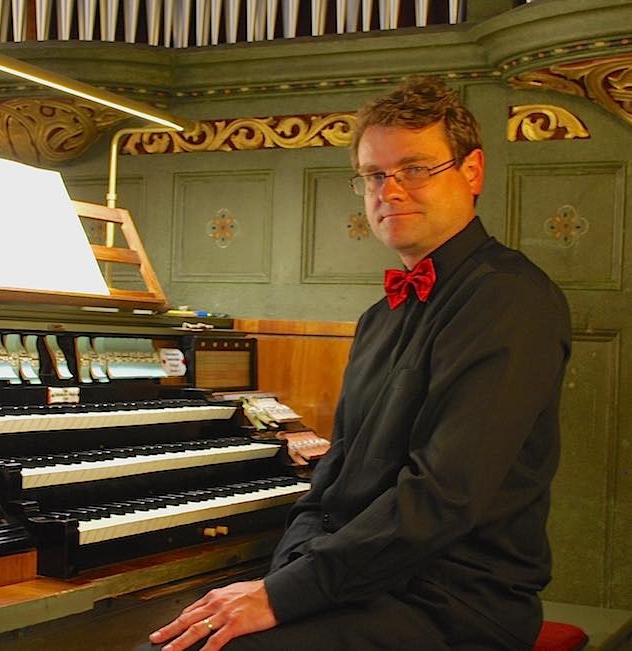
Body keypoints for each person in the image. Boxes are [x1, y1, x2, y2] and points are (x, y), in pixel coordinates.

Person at [142, 76, 572, 650]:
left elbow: (443, 495)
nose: (389, 191)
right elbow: (335, 474)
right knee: (177, 638)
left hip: (457, 600)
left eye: (416, 168)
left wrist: (284, 593)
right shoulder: (379, 317)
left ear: (472, 172)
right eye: (374, 174)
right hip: (370, 580)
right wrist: (286, 571)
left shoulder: (511, 298)